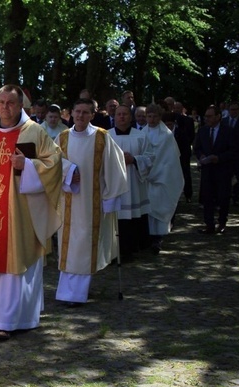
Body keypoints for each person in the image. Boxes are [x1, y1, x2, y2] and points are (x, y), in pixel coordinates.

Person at [0, 84, 61, 340]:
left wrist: (30, 166)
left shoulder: (34, 132)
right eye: (1, 102)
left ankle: (15, 320)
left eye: (10, 103)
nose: (5, 107)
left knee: (18, 261)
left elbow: (54, 165)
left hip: (22, 212)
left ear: (21, 105)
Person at [55, 98, 128, 305]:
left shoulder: (101, 138)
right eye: (77, 111)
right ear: (71, 114)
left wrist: (111, 196)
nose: (80, 116)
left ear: (92, 115)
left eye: (85, 112)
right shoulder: (62, 138)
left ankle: (76, 295)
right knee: (68, 245)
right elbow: (52, 162)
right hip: (68, 200)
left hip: (92, 204)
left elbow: (116, 166)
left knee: (84, 245)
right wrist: (68, 171)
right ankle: (66, 292)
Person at [109, 104, 151, 259]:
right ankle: (114, 251)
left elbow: (150, 157)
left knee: (133, 216)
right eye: (119, 114)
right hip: (114, 184)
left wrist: (134, 159)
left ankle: (132, 248)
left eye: (125, 114)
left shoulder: (140, 136)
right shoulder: (107, 136)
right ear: (115, 117)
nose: (121, 117)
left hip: (134, 183)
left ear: (130, 117)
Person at [143, 111, 184, 253]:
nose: (152, 119)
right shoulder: (141, 133)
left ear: (159, 117)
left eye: (155, 116)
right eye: (149, 116)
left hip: (162, 177)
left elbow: (170, 156)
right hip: (146, 178)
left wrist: (158, 170)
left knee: (159, 205)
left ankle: (158, 239)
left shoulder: (166, 135)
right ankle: (146, 238)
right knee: (147, 208)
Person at [194, 105, 235, 234]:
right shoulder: (202, 131)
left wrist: (219, 158)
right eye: (206, 116)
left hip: (223, 169)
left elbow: (234, 150)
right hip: (207, 170)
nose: (207, 119)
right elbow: (197, 147)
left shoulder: (228, 131)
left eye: (210, 116)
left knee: (223, 197)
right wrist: (201, 156)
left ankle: (222, 222)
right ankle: (209, 224)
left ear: (218, 117)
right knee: (207, 197)